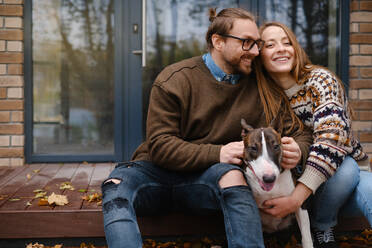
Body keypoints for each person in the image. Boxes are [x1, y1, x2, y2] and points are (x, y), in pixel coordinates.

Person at [101, 8, 312, 248]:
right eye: (247, 43)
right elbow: (160, 146)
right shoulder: (175, 79)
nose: (255, 51)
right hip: (155, 173)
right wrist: (218, 153)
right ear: (218, 42)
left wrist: (299, 148)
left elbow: (300, 132)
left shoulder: (262, 87)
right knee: (114, 187)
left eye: (257, 44)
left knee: (233, 177)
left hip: (207, 180)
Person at [255, 21, 372, 248]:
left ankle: (321, 228)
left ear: (296, 49)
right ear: (260, 56)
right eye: (270, 45)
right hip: (297, 186)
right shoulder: (261, 96)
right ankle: (319, 227)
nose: (281, 48)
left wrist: (295, 199)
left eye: (287, 42)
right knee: (347, 169)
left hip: (339, 181)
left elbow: (331, 139)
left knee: (355, 175)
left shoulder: (319, 80)